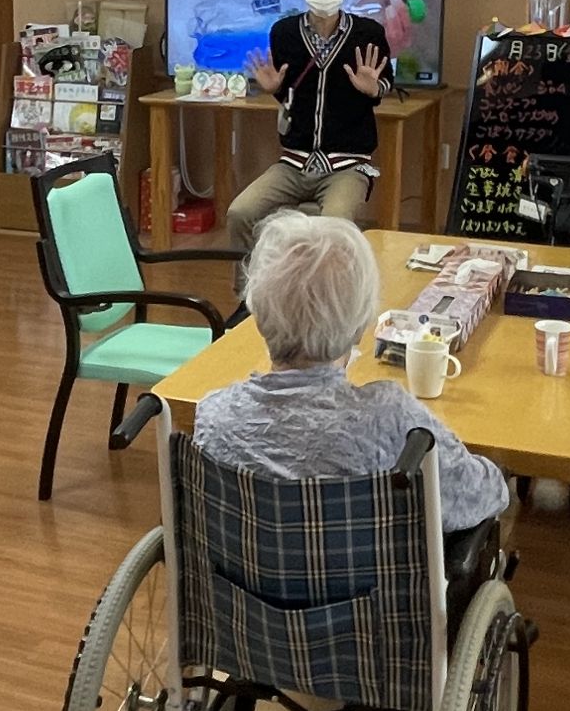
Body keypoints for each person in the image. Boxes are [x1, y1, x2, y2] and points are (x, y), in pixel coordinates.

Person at [195, 209, 508, 541]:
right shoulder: (390, 418)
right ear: (361, 327)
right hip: (370, 575)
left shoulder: (213, 417)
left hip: (243, 572)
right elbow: (482, 495)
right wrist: (499, 473)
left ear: (258, 316)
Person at [225, 0, 393, 266]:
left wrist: (373, 88)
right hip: (294, 163)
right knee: (240, 213)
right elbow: (290, 96)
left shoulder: (368, 33)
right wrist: (274, 89)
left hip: (347, 165)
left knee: (333, 229)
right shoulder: (284, 32)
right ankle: (249, 291)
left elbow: (385, 83)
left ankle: (331, 294)